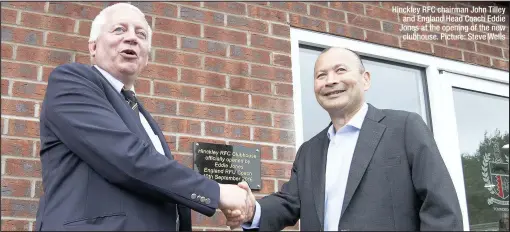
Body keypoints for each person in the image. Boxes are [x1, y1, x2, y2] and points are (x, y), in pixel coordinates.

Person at [35, 3, 251, 231]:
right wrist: (217, 193)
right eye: (119, 29)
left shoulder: (143, 117)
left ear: (146, 57)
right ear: (93, 46)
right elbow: (126, 157)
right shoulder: (71, 81)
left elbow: (157, 180)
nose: (131, 38)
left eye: (141, 34)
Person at [225, 47, 464, 231]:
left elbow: (441, 209)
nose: (330, 81)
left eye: (340, 70)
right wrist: (252, 210)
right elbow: (289, 203)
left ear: (365, 79)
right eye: (321, 75)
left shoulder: (404, 128)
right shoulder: (309, 151)